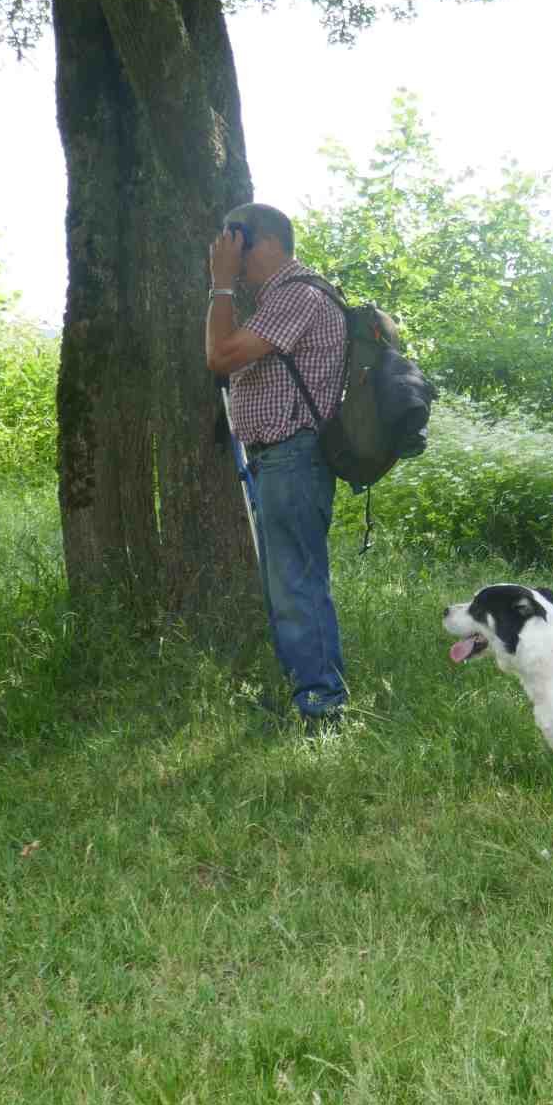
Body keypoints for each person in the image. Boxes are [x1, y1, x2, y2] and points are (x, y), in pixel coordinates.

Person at [205, 202, 349, 732]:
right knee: (290, 584)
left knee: (297, 586)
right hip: (282, 460)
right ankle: (309, 691)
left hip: (292, 456)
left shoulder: (297, 296)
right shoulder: (285, 298)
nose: (229, 256)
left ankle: (322, 706)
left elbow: (220, 356)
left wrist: (220, 286)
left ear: (255, 241)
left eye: (232, 243)